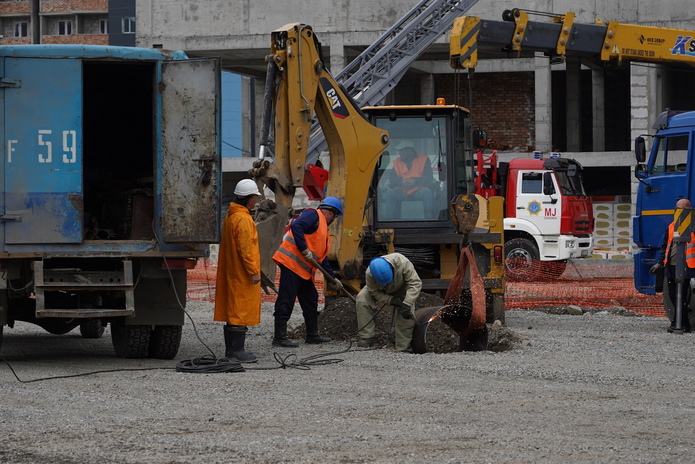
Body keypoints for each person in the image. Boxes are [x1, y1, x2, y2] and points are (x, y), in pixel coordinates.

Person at [271, 196, 344, 347]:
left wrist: (332, 279)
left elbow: (322, 259)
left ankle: (312, 335)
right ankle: (279, 337)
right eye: (335, 216)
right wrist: (304, 249)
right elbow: (296, 226)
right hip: (291, 265)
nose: (334, 219)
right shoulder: (313, 214)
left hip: (303, 271)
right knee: (287, 298)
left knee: (311, 298)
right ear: (331, 212)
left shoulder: (323, 231)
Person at [213, 179, 263, 362]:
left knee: (234, 309)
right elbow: (246, 249)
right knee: (240, 309)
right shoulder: (242, 219)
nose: (257, 201)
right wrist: (253, 271)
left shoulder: (231, 216)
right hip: (242, 273)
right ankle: (236, 351)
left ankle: (232, 351)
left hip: (233, 271)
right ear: (249, 199)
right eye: (255, 198)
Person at [355, 253, 422, 352]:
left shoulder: (402, 262)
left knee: (406, 315)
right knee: (362, 299)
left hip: (401, 289)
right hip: (381, 290)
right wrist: (390, 300)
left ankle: (403, 347)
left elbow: (415, 283)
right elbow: (374, 291)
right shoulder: (370, 273)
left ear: (391, 268)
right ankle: (366, 337)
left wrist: (407, 303)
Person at [650, 197, 695, 333]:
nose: (680, 210)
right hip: (671, 266)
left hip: (688, 266)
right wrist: (659, 263)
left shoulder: (693, 225)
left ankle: (679, 323)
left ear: (690, 209)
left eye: (683, 207)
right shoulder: (671, 226)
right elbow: (665, 246)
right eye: (678, 207)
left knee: (681, 295)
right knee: (673, 296)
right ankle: (682, 323)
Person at [383, 140, 434, 219]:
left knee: (427, 193)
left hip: (418, 190)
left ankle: (429, 220)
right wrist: (401, 182)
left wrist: (415, 181)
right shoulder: (397, 162)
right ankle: (390, 221)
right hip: (401, 190)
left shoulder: (424, 160)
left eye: (401, 150)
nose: (399, 152)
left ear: (409, 150)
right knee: (390, 193)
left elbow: (429, 177)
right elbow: (392, 178)